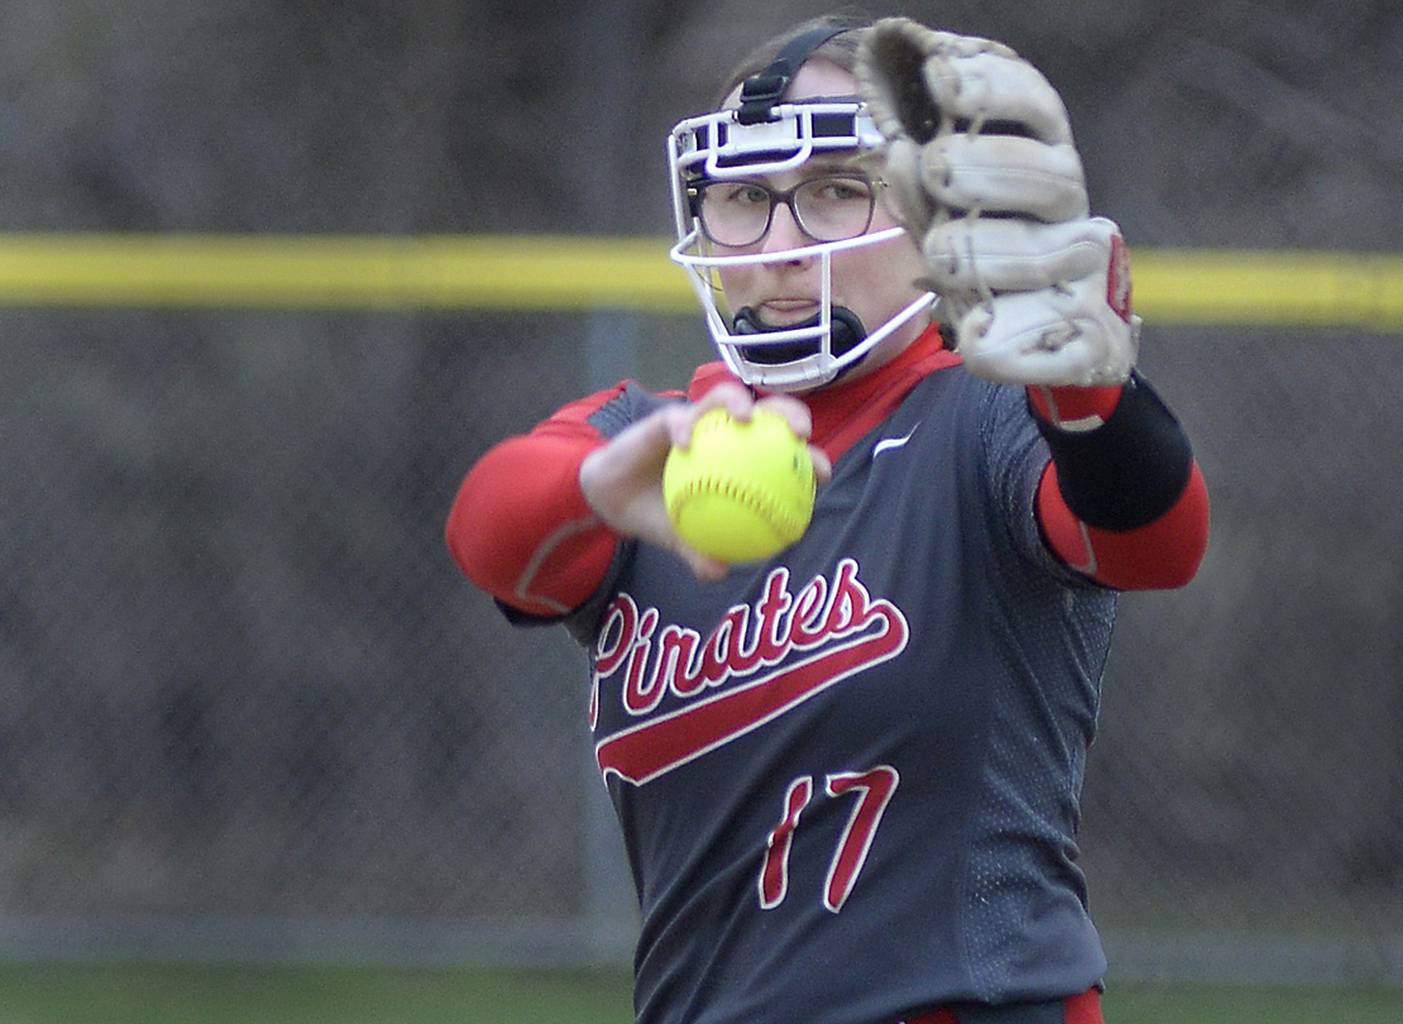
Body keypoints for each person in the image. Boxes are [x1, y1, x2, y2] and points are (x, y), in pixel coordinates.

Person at [447, 13, 1209, 1024]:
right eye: (743, 199)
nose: (779, 247)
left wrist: (1089, 397)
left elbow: (1158, 541)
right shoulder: (647, 440)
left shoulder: (986, 420)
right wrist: (593, 490)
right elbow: (489, 537)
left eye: (834, 193)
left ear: (943, 218)